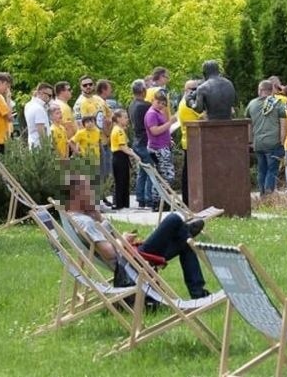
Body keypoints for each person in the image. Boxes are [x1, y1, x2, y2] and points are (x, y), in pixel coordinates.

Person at [64, 174, 211, 299]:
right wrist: (123, 241)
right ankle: (184, 228)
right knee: (173, 219)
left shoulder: (83, 217)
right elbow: (109, 253)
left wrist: (99, 217)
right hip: (131, 261)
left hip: (132, 255)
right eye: (87, 190)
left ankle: (198, 291)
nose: (92, 193)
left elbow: (110, 241)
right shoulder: (84, 222)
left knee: (184, 240)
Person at [246, 80, 287, 195]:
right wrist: (282, 142)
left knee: (261, 169)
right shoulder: (278, 104)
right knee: (272, 170)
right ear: (271, 90)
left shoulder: (251, 104)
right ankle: (268, 194)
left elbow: (248, 123)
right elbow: (284, 125)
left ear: (260, 90)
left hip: (258, 143)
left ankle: (262, 193)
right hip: (273, 143)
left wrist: (250, 141)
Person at [145, 91, 177, 210]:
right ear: (153, 100)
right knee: (167, 175)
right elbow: (155, 131)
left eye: (163, 103)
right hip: (158, 148)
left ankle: (160, 201)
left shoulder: (158, 112)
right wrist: (170, 123)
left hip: (163, 145)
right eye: (158, 102)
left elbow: (163, 131)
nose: (160, 105)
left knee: (162, 175)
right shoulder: (151, 114)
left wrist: (169, 139)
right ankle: (161, 201)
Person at [128, 80, 153, 209]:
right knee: (150, 169)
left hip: (137, 141)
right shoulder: (145, 105)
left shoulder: (131, 105)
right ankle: (149, 198)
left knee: (142, 171)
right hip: (145, 141)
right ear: (144, 91)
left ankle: (140, 197)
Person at [177, 79, 203, 206]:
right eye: (192, 89)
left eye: (196, 88)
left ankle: (188, 200)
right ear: (186, 90)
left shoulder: (185, 101)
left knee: (188, 172)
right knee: (190, 174)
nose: (195, 91)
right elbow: (204, 117)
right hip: (192, 141)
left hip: (189, 141)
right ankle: (188, 201)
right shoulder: (188, 104)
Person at [110, 109, 134, 210]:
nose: (127, 119)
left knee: (124, 181)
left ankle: (124, 203)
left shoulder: (120, 129)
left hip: (122, 156)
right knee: (121, 181)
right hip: (119, 156)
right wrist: (135, 155)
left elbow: (125, 145)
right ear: (118, 119)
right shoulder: (118, 130)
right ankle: (120, 204)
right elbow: (122, 147)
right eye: (125, 117)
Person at [24, 82, 53, 149]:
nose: (50, 98)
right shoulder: (39, 108)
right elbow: (40, 128)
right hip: (40, 147)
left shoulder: (28, 105)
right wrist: (46, 145)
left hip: (32, 143)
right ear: (40, 93)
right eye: (49, 95)